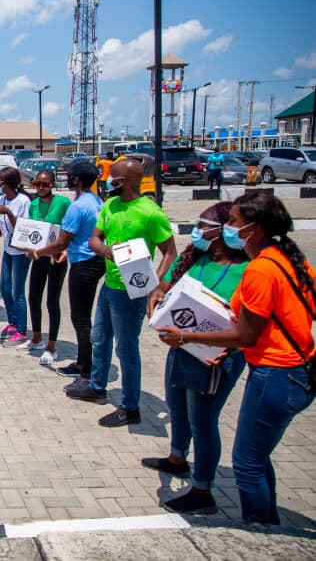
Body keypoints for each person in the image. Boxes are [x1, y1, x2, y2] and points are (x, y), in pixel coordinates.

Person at [155, 192, 316, 524]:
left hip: (276, 373)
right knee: (258, 457)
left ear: (252, 229)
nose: (227, 226)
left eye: (232, 222)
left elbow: (246, 335)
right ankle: (268, 523)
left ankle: (259, 531)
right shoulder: (292, 260)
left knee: (246, 464)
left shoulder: (259, 270)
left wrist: (186, 336)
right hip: (294, 368)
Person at [142, 201, 248, 515]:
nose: (197, 232)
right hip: (182, 348)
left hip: (217, 357)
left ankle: (203, 490)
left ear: (224, 231)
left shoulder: (247, 270)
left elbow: (247, 323)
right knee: (177, 407)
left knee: (202, 421)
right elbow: (165, 285)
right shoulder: (194, 258)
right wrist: (157, 295)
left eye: (204, 227)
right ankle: (177, 458)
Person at [68, 158, 177, 428]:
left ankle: (130, 406)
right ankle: (97, 386)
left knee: (126, 349)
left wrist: (156, 284)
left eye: (112, 176)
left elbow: (170, 253)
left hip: (133, 291)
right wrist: (105, 250)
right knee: (99, 337)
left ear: (124, 181)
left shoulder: (150, 213)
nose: (106, 179)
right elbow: (94, 238)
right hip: (110, 285)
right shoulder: (109, 205)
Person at [29, 161, 104, 383]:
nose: (68, 179)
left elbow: (61, 242)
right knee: (83, 317)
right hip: (96, 260)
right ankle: (83, 363)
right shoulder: (97, 201)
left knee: (80, 319)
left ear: (77, 180)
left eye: (70, 175)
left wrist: (38, 252)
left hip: (83, 263)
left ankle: (85, 371)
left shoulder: (76, 206)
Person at [21, 170, 71, 364]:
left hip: (57, 258)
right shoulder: (33, 204)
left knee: (52, 301)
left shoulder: (64, 203)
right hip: (39, 256)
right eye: (38, 184)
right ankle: (36, 337)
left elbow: (71, 229)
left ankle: (52, 345)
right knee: (33, 297)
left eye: (45, 184)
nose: (41, 188)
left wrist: (66, 249)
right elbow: (32, 229)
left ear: (52, 184)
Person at [0, 168, 32, 347]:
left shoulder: (23, 201)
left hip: (21, 251)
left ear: (9, 183)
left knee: (17, 291)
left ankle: (21, 330)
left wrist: (9, 213)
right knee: (4, 287)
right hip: (8, 250)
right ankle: (12, 322)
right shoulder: (0, 199)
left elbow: (23, 229)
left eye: (1, 181)